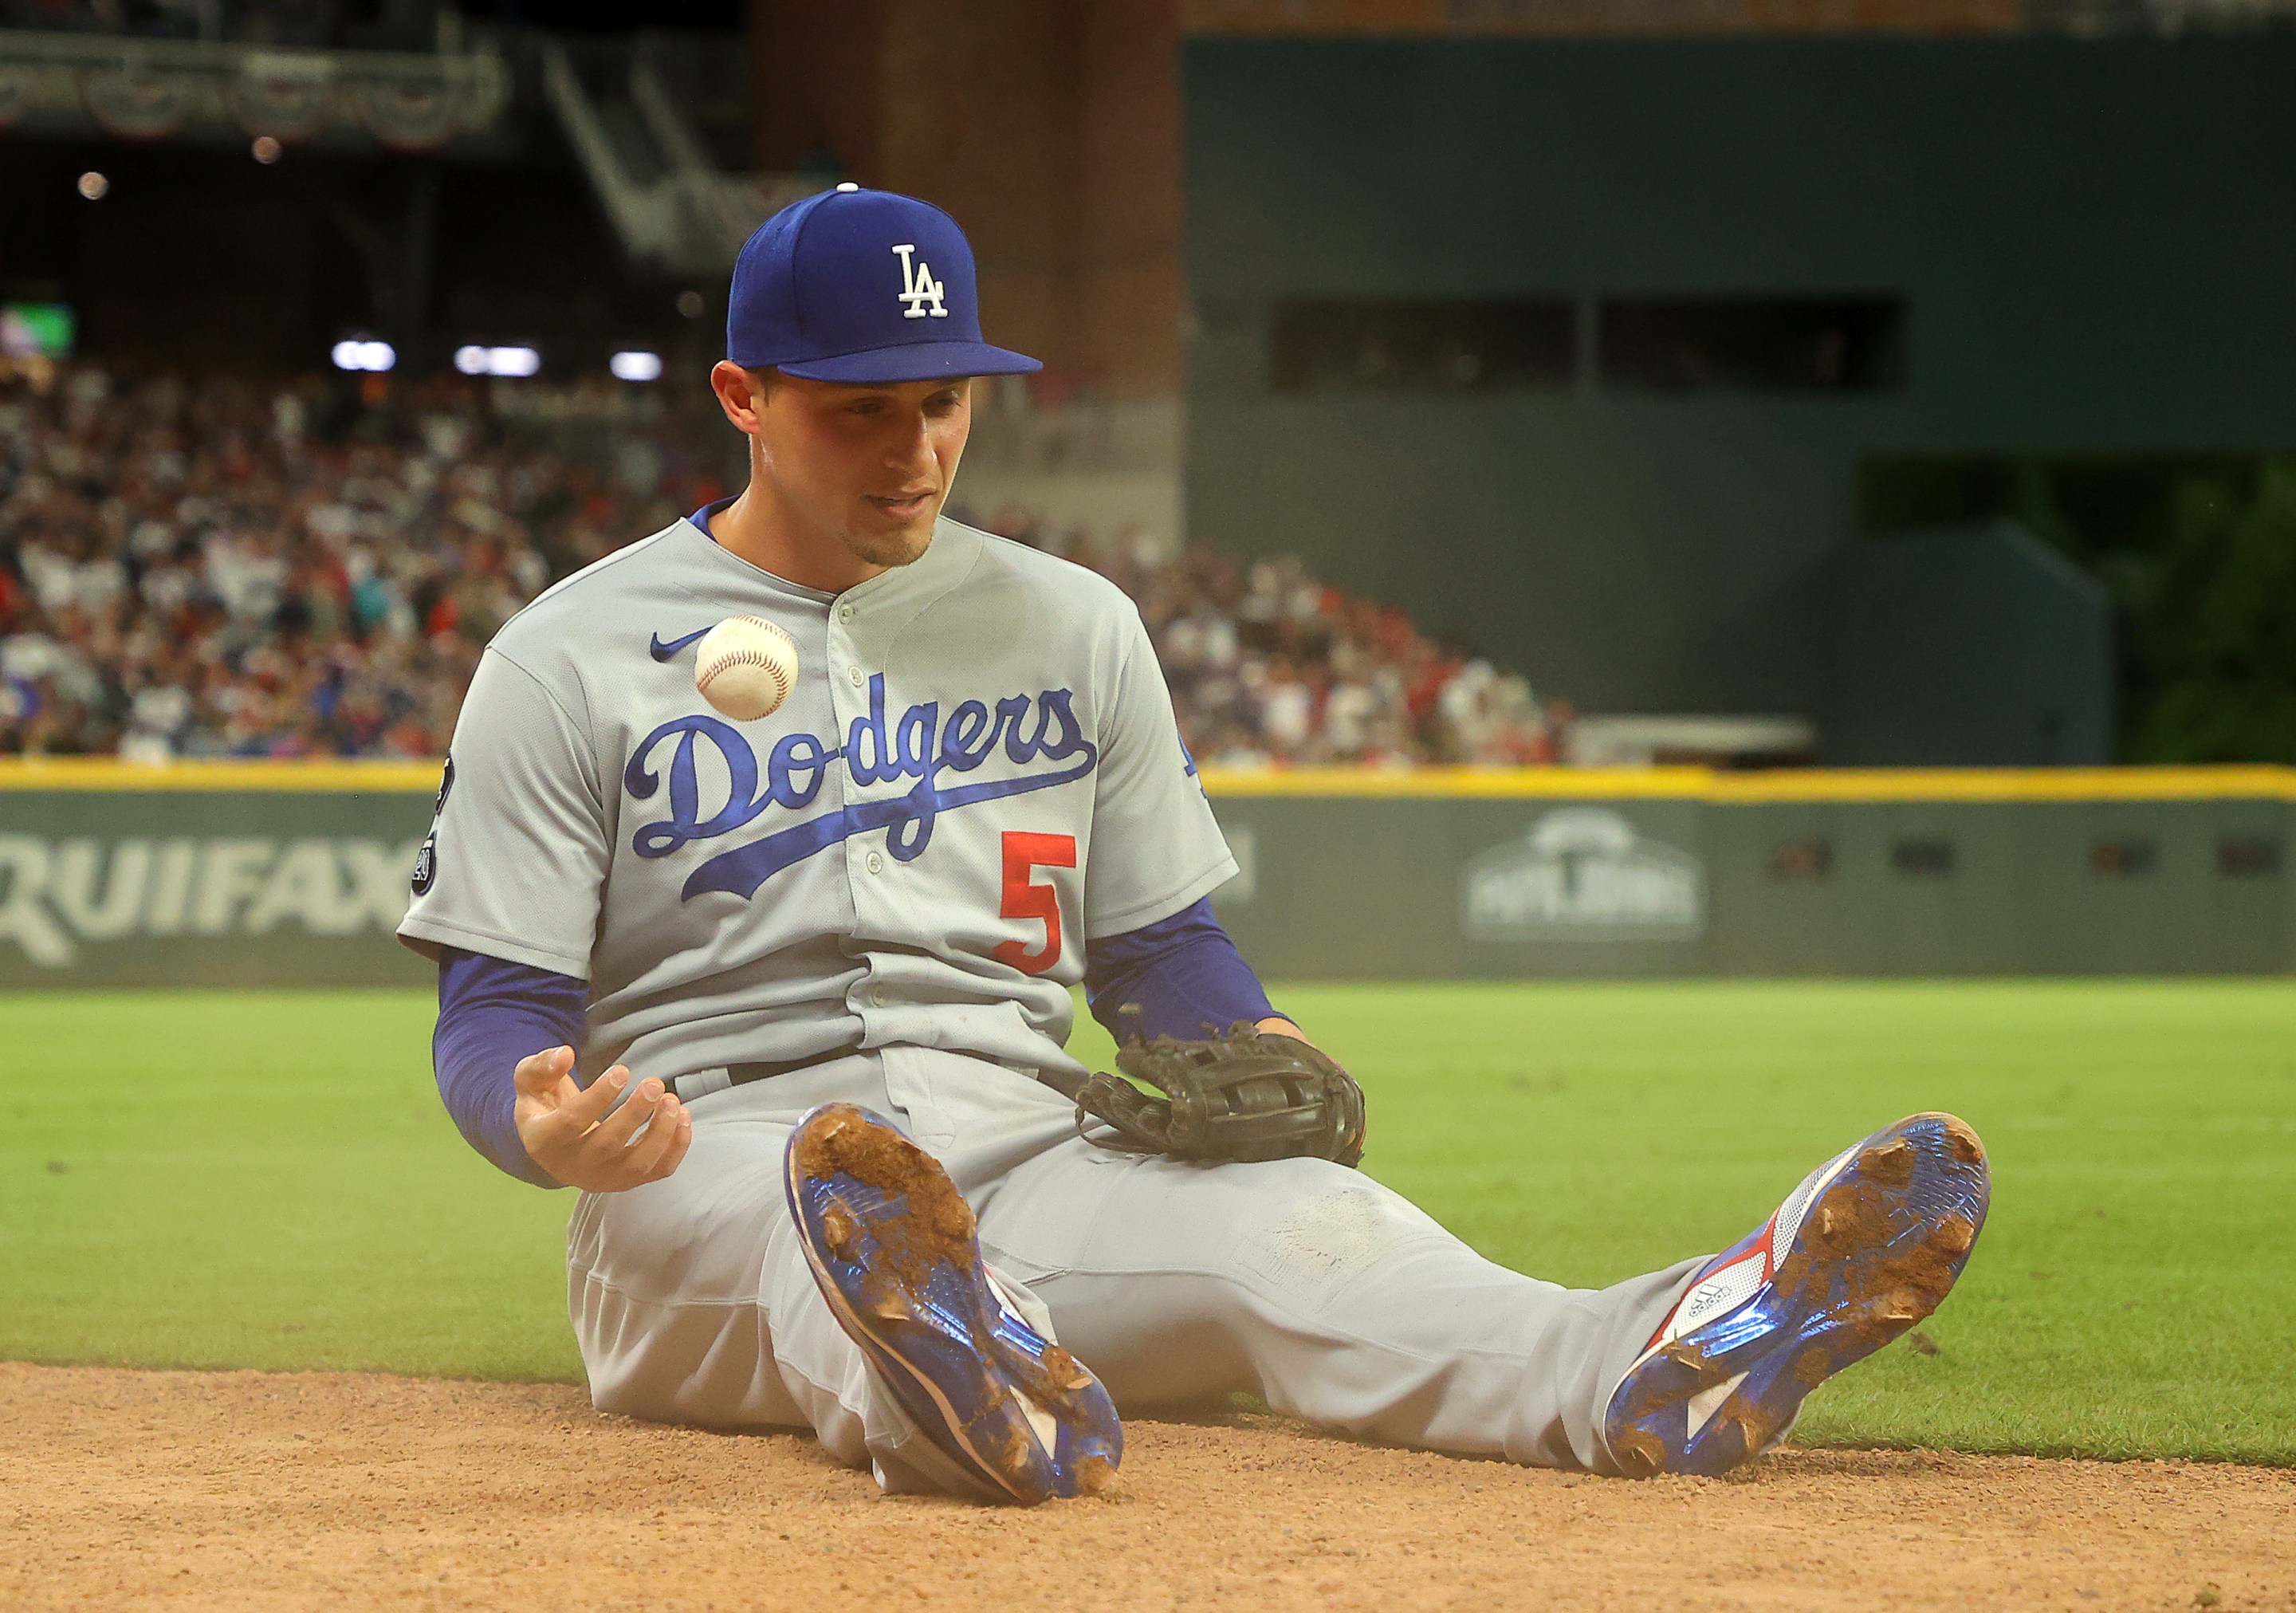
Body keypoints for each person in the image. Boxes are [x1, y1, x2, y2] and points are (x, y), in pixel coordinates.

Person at [399, 186, 1991, 1505]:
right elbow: (497, 1017)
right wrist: (541, 1123)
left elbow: (1158, 953)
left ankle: (1657, 1357)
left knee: (1306, 1229)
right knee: (819, 1233)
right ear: (741, 399)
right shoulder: (570, 651)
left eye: (945, 402)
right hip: (712, 1165)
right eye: (862, 409)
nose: (919, 451)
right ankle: (960, 1377)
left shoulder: (1073, 625)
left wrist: (1257, 1043)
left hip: (1027, 1147)